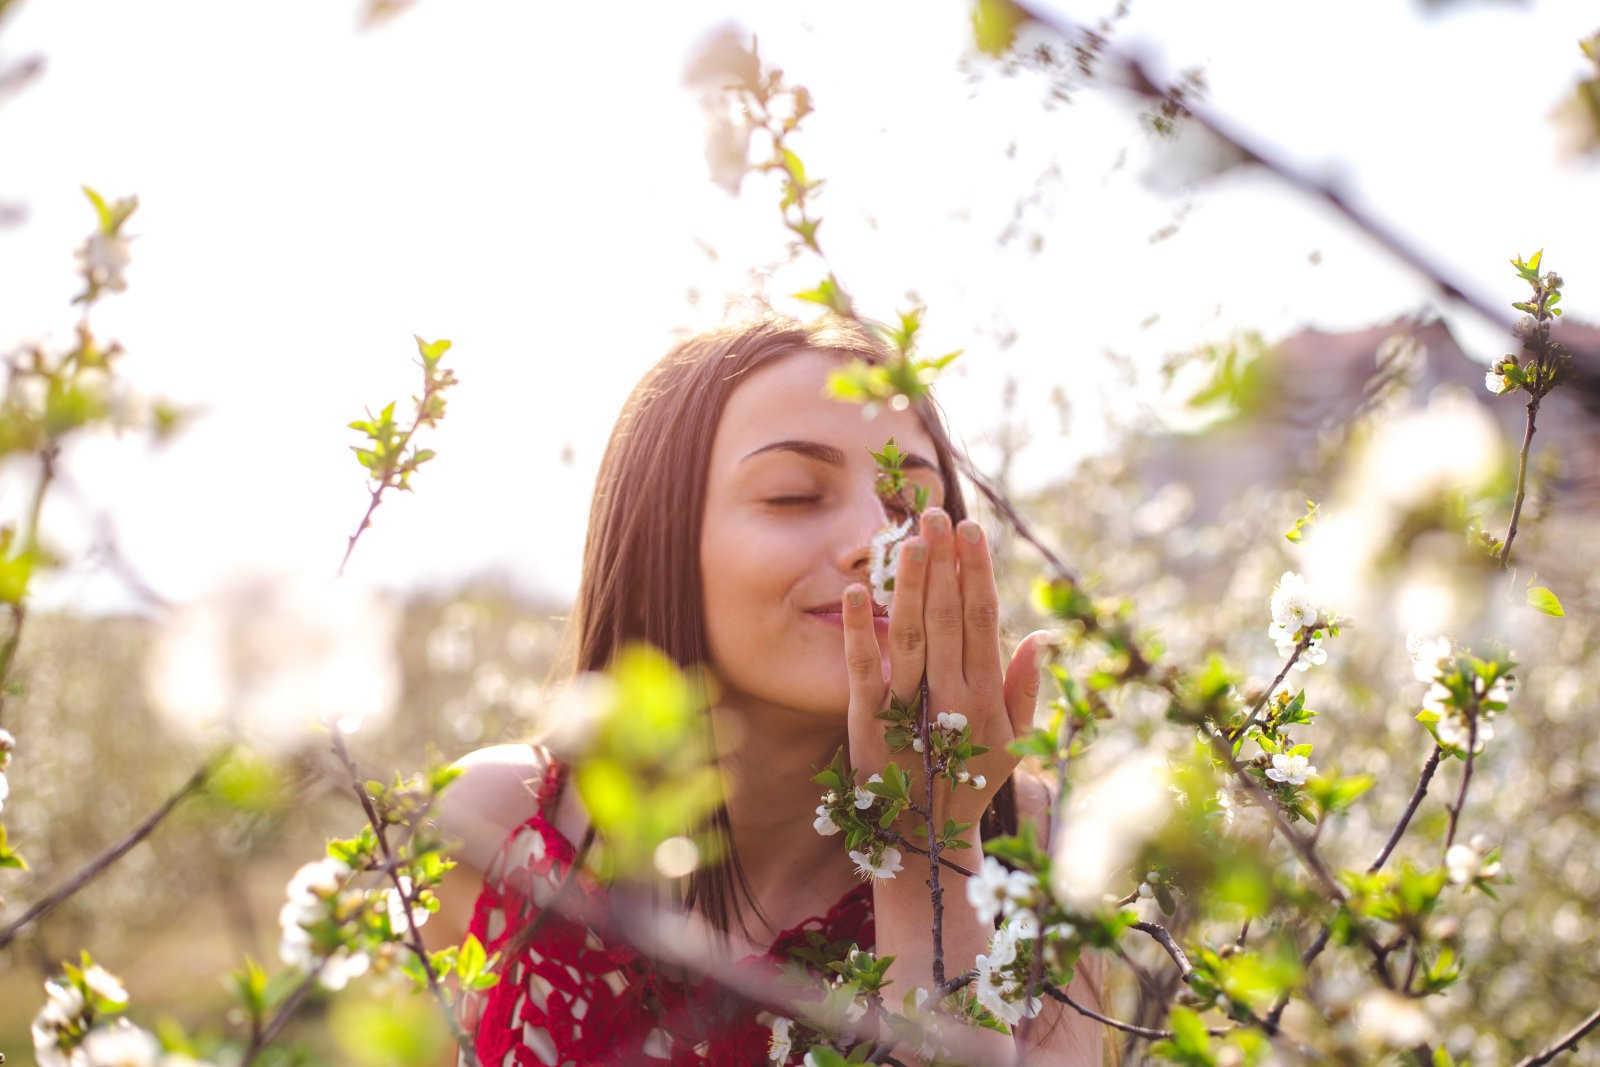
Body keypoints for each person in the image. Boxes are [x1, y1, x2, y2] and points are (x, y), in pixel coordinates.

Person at [425, 314, 1111, 1065]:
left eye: (909, 505)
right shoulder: (490, 828)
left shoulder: (1031, 850)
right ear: (662, 548)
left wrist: (926, 843)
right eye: (792, 495)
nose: (871, 542)